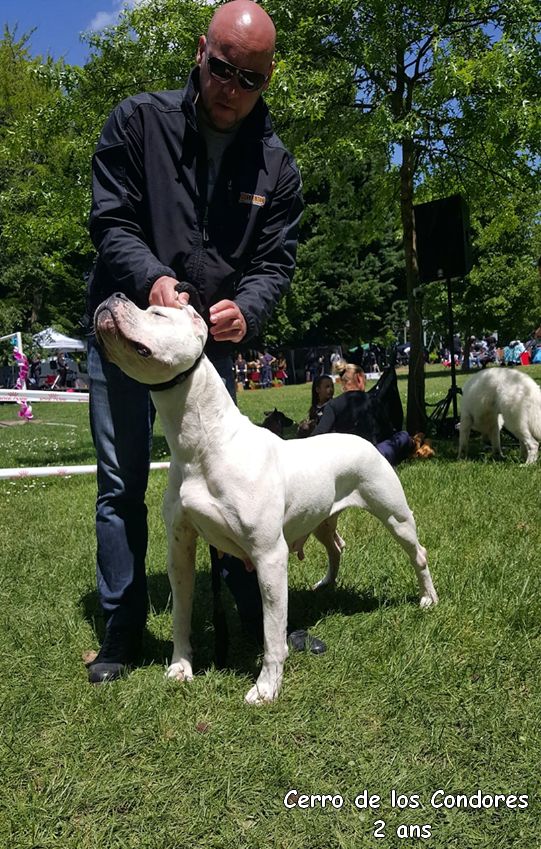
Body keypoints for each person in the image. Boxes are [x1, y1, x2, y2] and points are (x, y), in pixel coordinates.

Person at [85, 0, 324, 684]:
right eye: (222, 70)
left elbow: (276, 262)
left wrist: (246, 311)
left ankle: (254, 612)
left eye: (250, 80)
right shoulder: (137, 121)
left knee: (232, 480)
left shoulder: (275, 166)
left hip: (207, 346)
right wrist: (151, 279)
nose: (232, 90)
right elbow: (110, 220)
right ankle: (123, 627)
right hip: (128, 328)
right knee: (122, 480)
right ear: (200, 51)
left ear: (267, 78)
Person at [312, 363, 433, 465]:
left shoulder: (333, 405)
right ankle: (415, 443)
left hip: (344, 460)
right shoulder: (372, 401)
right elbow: (389, 433)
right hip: (373, 458)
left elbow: (318, 435)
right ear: (359, 379)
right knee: (403, 435)